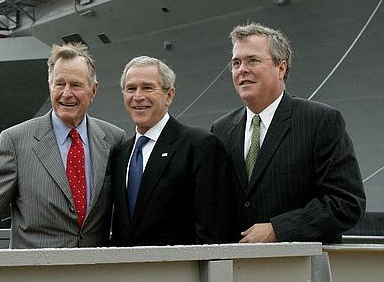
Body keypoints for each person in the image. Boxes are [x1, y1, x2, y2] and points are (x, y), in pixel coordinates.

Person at [0, 42, 125, 249]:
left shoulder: (114, 139)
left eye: (76, 85)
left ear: (93, 90)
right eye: (59, 84)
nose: (66, 93)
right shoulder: (16, 141)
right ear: (50, 86)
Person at [211, 22, 366, 243]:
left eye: (252, 60)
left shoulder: (320, 120)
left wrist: (278, 229)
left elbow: (347, 202)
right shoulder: (221, 129)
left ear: (281, 68)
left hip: (299, 267)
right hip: (234, 269)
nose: (241, 69)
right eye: (236, 63)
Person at [109, 56, 237, 246]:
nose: (137, 96)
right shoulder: (121, 154)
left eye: (147, 87)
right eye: (131, 88)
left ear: (169, 95)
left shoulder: (200, 146)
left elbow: (213, 231)